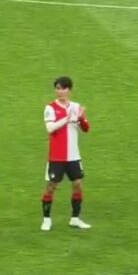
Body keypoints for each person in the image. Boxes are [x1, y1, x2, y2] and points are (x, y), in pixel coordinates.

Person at [41, 76, 92, 231]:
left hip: (74, 156)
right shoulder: (50, 108)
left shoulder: (76, 107)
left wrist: (82, 118)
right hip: (56, 156)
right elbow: (50, 128)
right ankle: (47, 219)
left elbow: (86, 128)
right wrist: (67, 118)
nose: (60, 91)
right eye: (57, 88)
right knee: (51, 186)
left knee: (78, 185)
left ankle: (75, 219)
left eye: (63, 88)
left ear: (69, 90)